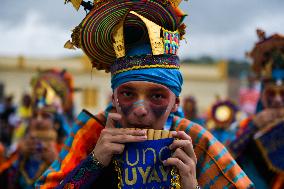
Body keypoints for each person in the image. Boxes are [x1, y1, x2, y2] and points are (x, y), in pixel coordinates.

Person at [36, 0, 254, 188]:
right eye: (128, 94)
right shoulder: (92, 133)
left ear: (175, 102)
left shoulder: (195, 141)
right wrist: (94, 162)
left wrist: (192, 186)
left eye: (157, 96)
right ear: (114, 99)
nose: (140, 110)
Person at [229, 29, 284, 189]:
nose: (277, 100)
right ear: (261, 95)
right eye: (271, 94)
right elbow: (229, 160)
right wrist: (254, 127)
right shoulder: (247, 124)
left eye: (282, 93)